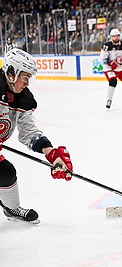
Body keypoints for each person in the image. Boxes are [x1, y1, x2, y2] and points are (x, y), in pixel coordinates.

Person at [0, 48, 73, 224]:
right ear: (11, 72)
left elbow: (29, 132)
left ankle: (12, 209)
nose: (27, 83)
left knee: (6, 173)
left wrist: (51, 153)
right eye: (25, 77)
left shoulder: (24, 99)